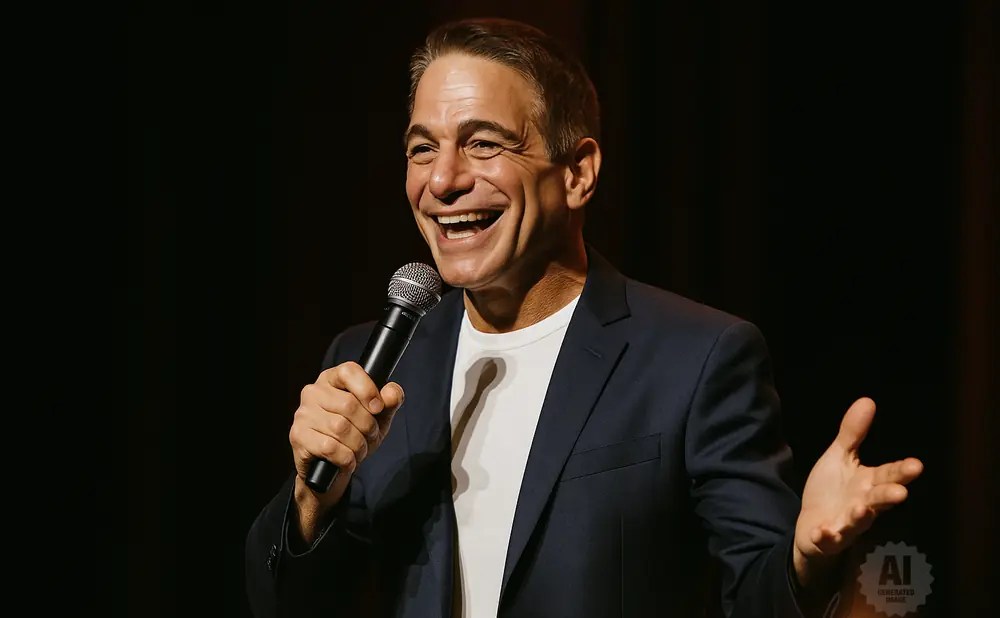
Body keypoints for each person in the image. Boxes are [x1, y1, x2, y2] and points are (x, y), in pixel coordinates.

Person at [245, 17, 924, 618]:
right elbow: (287, 601)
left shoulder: (695, 358)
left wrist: (807, 559)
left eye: (483, 144)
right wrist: (313, 502)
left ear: (577, 173)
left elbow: (757, 596)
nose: (442, 180)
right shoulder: (378, 360)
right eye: (422, 148)